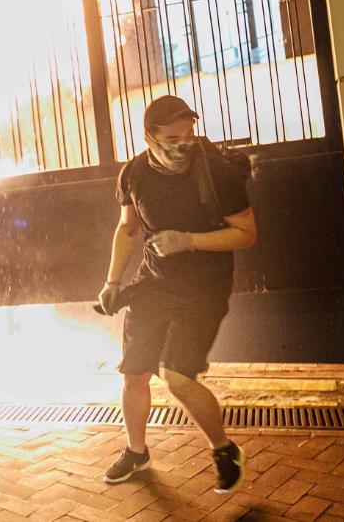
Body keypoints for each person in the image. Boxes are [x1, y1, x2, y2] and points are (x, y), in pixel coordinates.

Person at [97, 95, 256, 493]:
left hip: (203, 289)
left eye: (189, 134)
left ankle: (224, 450)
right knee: (134, 373)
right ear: (150, 137)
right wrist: (113, 282)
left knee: (177, 377)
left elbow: (247, 233)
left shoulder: (216, 171)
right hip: (155, 284)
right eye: (172, 137)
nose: (183, 144)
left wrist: (188, 241)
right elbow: (129, 228)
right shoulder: (134, 173)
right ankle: (136, 452)